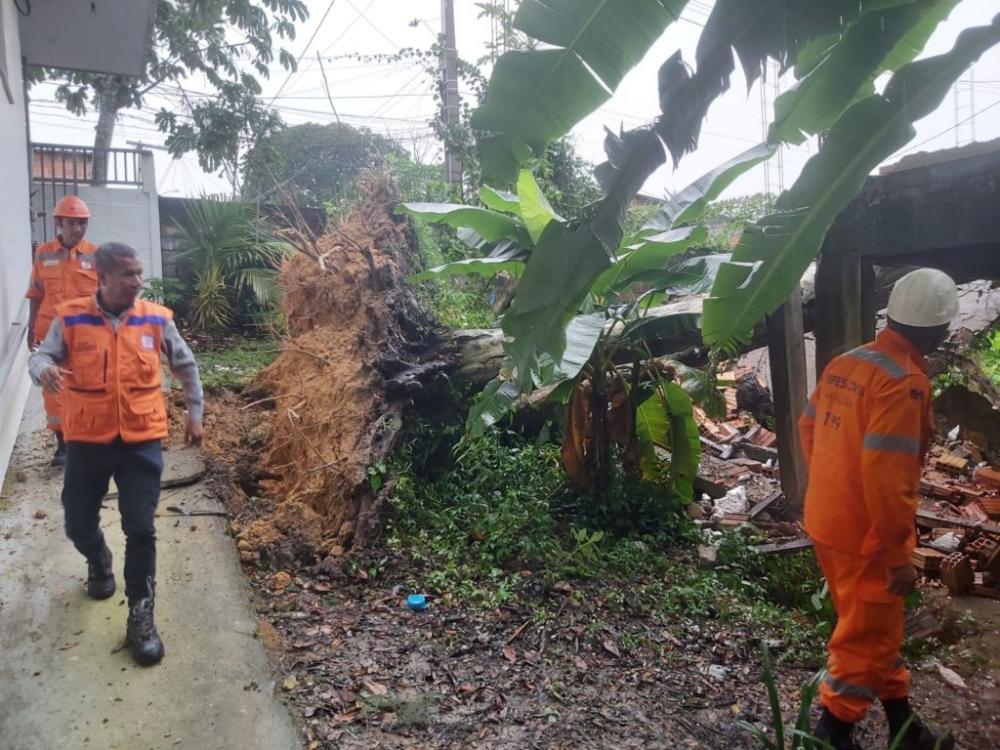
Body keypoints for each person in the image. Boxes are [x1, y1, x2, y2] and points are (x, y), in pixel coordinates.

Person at [800, 269, 958, 750]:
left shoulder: (847, 363)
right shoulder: (904, 382)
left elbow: (809, 430)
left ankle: (905, 727)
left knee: (874, 627)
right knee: (866, 636)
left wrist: (832, 487)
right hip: (867, 537)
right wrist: (895, 555)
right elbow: (889, 479)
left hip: (827, 519)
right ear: (937, 331)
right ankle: (833, 729)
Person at [28, 242, 204, 667]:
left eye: (139, 273)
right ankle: (97, 557)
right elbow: (42, 356)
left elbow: (186, 365)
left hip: (141, 442)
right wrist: (45, 371)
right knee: (77, 522)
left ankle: (141, 616)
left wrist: (195, 412)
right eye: (128, 274)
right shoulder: (71, 317)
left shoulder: (156, 319)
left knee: (141, 528)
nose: (137, 281)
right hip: (87, 441)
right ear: (103, 278)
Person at [25, 195, 100, 466]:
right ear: (59, 222)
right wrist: (31, 327)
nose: (78, 229)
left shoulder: (95, 255)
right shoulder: (43, 254)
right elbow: (35, 293)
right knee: (54, 388)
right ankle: (63, 446)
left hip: (85, 335)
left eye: (82, 223)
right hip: (50, 334)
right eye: (72, 223)